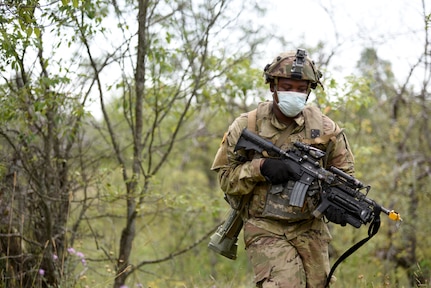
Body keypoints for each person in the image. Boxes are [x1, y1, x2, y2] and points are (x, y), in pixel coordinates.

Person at [211, 49, 355, 287]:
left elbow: (345, 178)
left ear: (309, 91)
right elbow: (226, 179)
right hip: (264, 224)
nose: (295, 94)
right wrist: (261, 167)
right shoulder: (248, 125)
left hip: (310, 226)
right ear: (273, 87)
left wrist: (337, 203)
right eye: (288, 86)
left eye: (301, 89)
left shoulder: (326, 129)